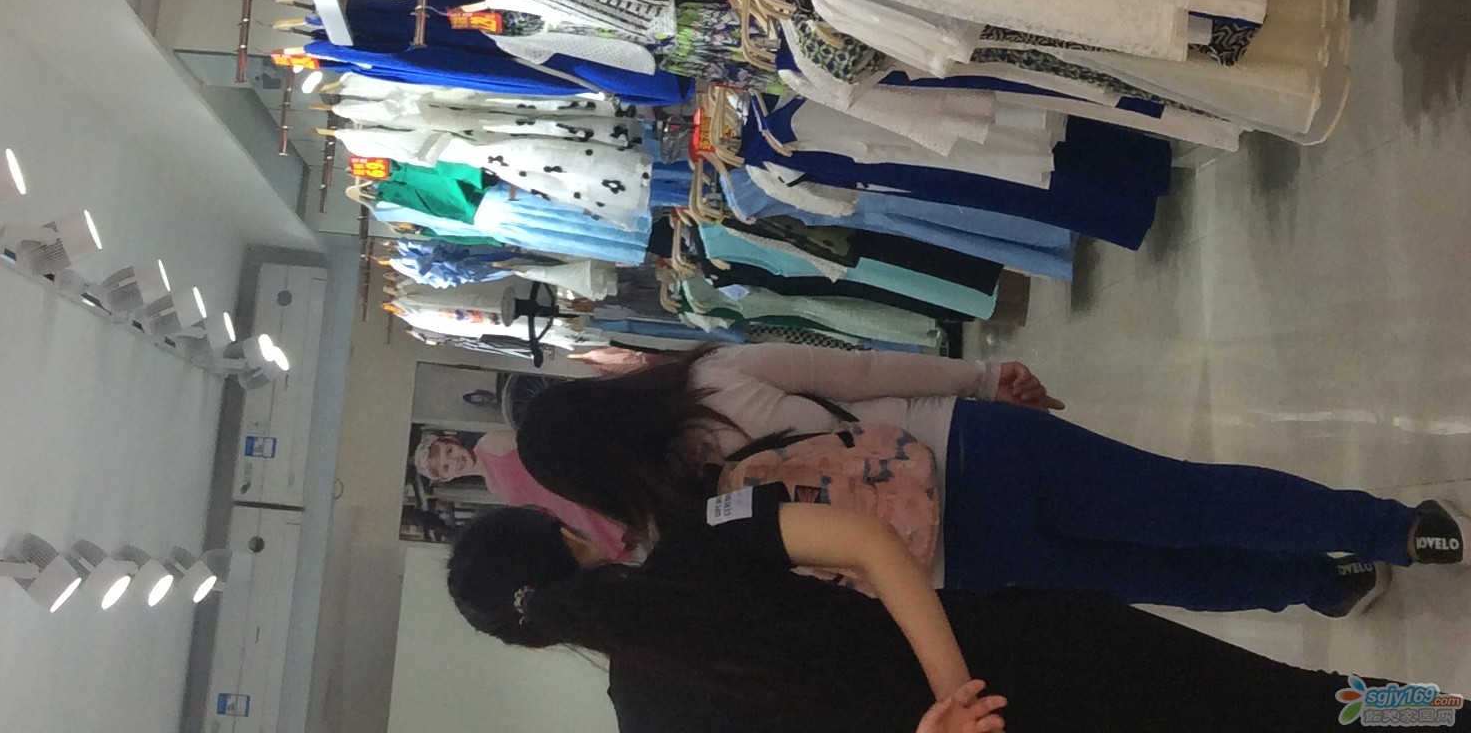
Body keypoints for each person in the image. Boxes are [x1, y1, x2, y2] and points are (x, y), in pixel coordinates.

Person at [512, 343, 1466, 615]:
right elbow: (865, 374)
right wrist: (984, 378)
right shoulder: (715, 379)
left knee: (1155, 576)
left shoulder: (680, 538)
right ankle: (1399, 531)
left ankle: (1320, 585)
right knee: (1187, 501)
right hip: (969, 450)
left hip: (955, 560)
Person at [445, 492, 1427, 733]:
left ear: (535, 641)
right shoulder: (698, 537)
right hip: (1037, 651)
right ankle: (1442, 714)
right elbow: (871, 542)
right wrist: (958, 686)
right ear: (569, 538)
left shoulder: (646, 723)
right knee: (1308, 703)